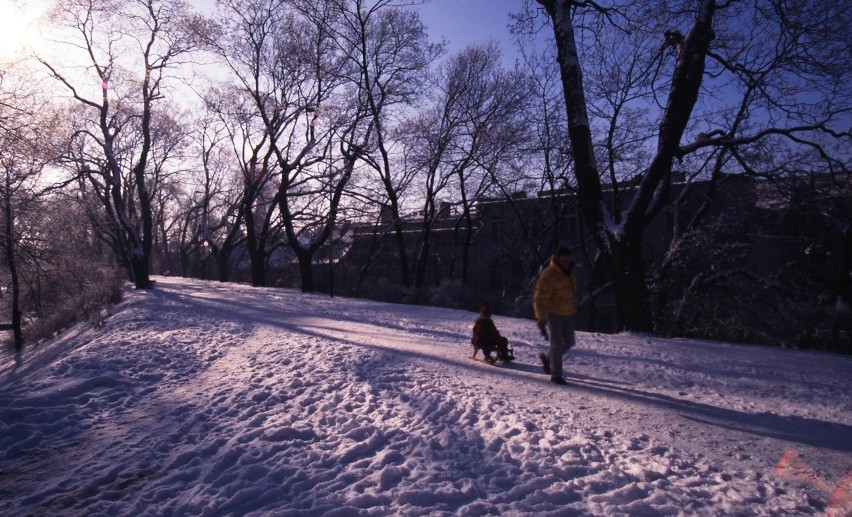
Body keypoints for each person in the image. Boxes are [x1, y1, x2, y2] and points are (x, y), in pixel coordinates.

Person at [533, 246, 578, 385]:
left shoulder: (571, 271)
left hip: (569, 312)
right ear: (557, 259)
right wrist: (541, 318)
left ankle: (547, 358)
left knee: (570, 341)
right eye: (563, 260)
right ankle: (556, 374)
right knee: (556, 344)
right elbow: (540, 299)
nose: (566, 262)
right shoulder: (549, 274)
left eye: (568, 259)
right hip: (554, 314)